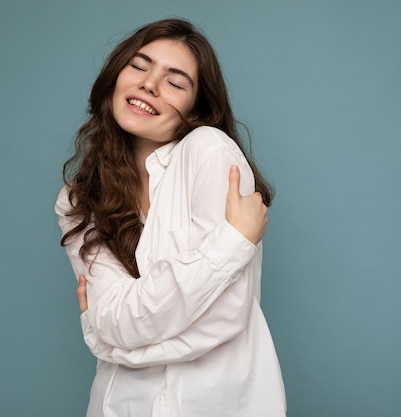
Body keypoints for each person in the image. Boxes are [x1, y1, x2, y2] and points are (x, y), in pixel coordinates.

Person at [55, 18, 286, 417]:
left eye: (176, 83)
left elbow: (222, 317)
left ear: (197, 108)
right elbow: (112, 321)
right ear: (116, 75)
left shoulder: (211, 153)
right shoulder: (78, 197)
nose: (150, 84)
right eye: (139, 66)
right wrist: (230, 247)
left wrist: (105, 338)